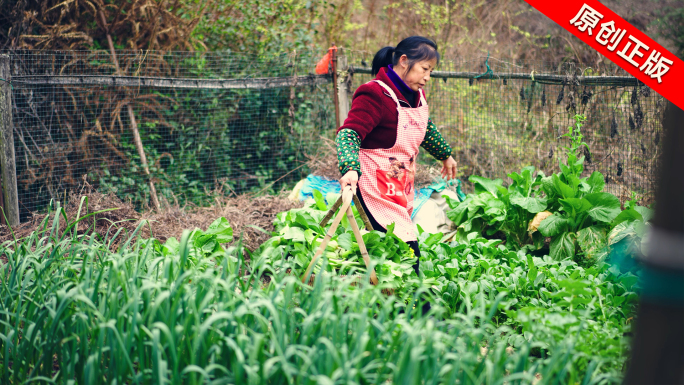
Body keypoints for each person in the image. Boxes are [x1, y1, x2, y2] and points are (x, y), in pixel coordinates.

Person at [336, 36, 458, 277]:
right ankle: (413, 307)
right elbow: (349, 133)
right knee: (407, 250)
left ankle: (382, 300)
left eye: (431, 71)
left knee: (388, 251)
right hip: (373, 186)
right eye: (425, 69)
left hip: (399, 186)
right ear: (404, 61)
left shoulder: (415, 97)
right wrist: (350, 167)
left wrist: (446, 155)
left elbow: (425, 128)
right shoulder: (374, 94)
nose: (428, 77)